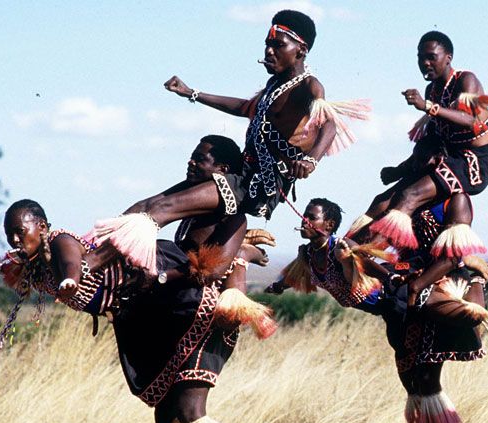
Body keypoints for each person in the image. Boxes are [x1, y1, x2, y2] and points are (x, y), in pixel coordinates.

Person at [0, 199, 274, 423]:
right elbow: (21, 270)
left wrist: (71, 278)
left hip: (181, 304)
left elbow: (71, 263)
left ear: (42, 226)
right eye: (10, 234)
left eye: (20, 232)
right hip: (145, 314)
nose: (15, 240)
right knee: (165, 412)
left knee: (190, 408)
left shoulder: (60, 242)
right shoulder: (36, 263)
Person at [90, 10, 366, 276]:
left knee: (163, 209)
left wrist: (310, 160)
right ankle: (92, 251)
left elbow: (329, 122)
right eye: (267, 44)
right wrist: (191, 93)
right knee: (150, 202)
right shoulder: (273, 87)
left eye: (278, 45)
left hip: (255, 187)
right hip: (241, 175)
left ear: (301, 51)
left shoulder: (308, 87)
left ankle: (91, 267)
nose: (269, 51)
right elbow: (244, 107)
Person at [270, 196, 488, 423]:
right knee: (411, 380)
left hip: (396, 298)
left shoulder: (342, 247)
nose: (304, 221)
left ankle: (477, 275)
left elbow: (371, 264)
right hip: (390, 312)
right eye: (305, 215)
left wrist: (391, 278)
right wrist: (278, 286)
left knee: (431, 363)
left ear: (328, 224)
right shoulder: (307, 255)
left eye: (310, 217)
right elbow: (293, 274)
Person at [347, 31, 488, 253]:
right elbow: (432, 139)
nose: (425, 63)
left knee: (409, 196)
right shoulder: (434, 90)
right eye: (421, 57)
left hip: (472, 164)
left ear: (448, 57)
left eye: (431, 57)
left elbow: (470, 121)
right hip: (448, 159)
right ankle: (350, 247)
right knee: (383, 200)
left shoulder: (466, 81)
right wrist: (399, 171)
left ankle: (365, 257)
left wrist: (428, 106)